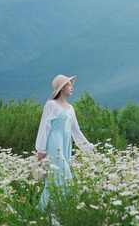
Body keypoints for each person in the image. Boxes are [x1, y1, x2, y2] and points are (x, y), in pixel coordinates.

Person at [35, 74, 95, 211]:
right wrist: (41, 150)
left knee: (56, 179)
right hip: (55, 146)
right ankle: (56, 211)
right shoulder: (51, 105)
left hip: (66, 146)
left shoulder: (70, 108)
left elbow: (76, 131)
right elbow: (44, 127)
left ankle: (49, 213)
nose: (72, 87)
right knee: (64, 177)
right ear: (61, 88)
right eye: (68, 84)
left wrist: (87, 148)